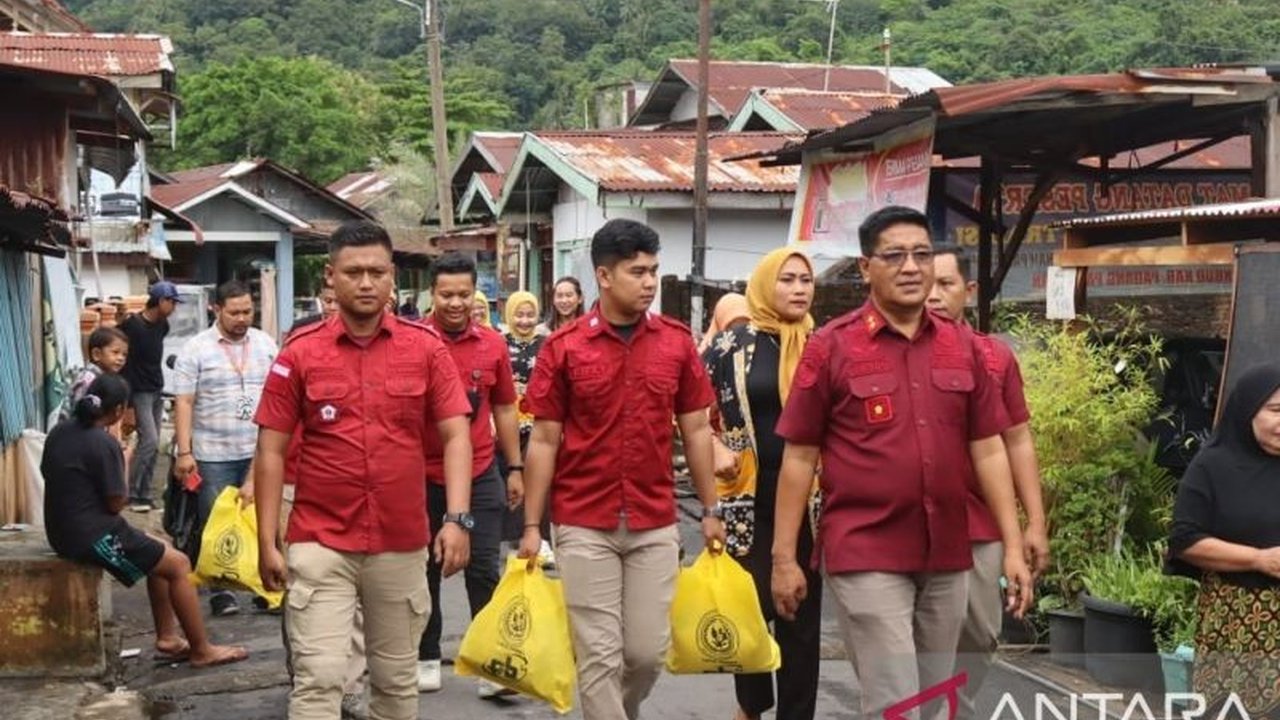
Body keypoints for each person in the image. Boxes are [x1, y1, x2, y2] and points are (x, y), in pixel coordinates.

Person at [770, 206, 1032, 720]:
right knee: (896, 702)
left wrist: (1014, 543)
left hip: (947, 553)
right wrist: (784, 558)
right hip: (865, 548)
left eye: (922, 254)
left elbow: (988, 447)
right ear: (866, 268)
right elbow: (799, 456)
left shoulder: (964, 347)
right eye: (895, 256)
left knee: (935, 703)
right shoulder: (831, 347)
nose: (912, 267)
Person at [254, 219, 474, 720]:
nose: (367, 282)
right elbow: (271, 449)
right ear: (331, 277)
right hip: (320, 539)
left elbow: (456, 433)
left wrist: (458, 518)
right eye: (354, 272)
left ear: (392, 275)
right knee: (320, 679)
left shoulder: (425, 350)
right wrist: (267, 539)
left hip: (400, 541)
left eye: (377, 271)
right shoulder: (300, 354)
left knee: (397, 684)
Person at [518, 218, 726, 720]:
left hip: (655, 520)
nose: (650, 283)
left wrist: (712, 508)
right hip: (583, 521)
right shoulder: (564, 347)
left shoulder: (676, 343)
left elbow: (697, 430)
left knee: (645, 654)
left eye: (654, 271)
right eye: (638, 272)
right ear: (605, 276)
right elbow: (544, 440)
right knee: (600, 655)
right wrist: (530, 525)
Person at [42, 374, 247, 668]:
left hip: (61, 531)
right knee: (179, 565)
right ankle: (202, 649)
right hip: (91, 535)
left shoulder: (60, 432)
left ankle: (167, 637)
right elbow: (116, 503)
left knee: (160, 548)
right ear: (118, 411)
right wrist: (125, 458)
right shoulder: (103, 442)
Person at [927, 247, 1050, 719]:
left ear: (968, 291)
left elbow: (1018, 439)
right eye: (928, 285)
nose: (935, 296)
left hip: (979, 520)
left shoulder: (994, 357)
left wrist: (1033, 524)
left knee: (980, 630)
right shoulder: (891, 352)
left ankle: (953, 705)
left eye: (947, 284)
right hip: (911, 520)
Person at [702, 248, 821, 720]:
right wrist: (713, 447)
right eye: (787, 279)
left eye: (805, 280)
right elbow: (687, 410)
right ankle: (750, 708)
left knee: (801, 616)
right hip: (745, 495)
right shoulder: (732, 346)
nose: (798, 289)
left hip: (810, 496)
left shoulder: (822, 344)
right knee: (747, 606)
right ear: (765, 285)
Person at [416, 253, 524, 698]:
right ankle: (425, 655)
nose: (456, 303)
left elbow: (504, 407)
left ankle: (487, 659)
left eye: (464, 294)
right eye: (446, 295)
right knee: (423, 570)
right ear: (431, 294)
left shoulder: (492, 344)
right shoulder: (414, 340)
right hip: (420, 474)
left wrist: (514, 466)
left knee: (483, 568)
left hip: (481, 472)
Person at [1169, 363, 1280, 719]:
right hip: (1237, 619)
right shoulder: (1213, 467)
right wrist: (1258, 559)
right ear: (1247, 409)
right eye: (1276, 411)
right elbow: (1185, 540)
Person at [172, 280, 279, 617]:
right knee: (216, 521)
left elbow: (278, 397)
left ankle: (265, 585)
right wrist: (185, 452)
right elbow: (185, 402)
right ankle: (222, 591)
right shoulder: (196, 349)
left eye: (247, 311)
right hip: (212, 452)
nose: (242, 318)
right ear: (216, 309)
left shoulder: (265, 344)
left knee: (262, 519)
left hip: (259, 448)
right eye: (234, 312)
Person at [119, 280, 180, 511]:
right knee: (150, 440)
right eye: (172, 302)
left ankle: (144, 493)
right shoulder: (132, 326)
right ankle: (131, 492)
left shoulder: (162, 325)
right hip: (140, 391)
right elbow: (123, 360)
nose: (174, 307)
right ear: (161, 300)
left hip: (156, 387)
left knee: (154, 445)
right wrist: (127, 399)